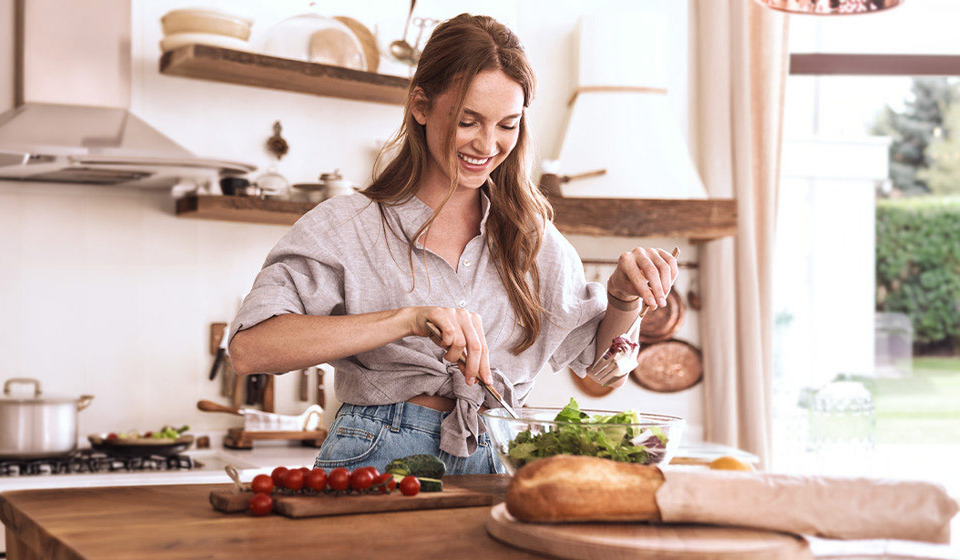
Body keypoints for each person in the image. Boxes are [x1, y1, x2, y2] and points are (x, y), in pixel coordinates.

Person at [227, 14, 679, 475]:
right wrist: (407, 319)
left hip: (498, 453)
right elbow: (250, 349)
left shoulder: (534, 240)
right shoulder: (347, 226)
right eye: (468, 121)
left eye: (507, 125)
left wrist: (622, 299)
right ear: (421, 106)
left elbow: (603, 374)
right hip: (377, 454)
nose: (487, 144)